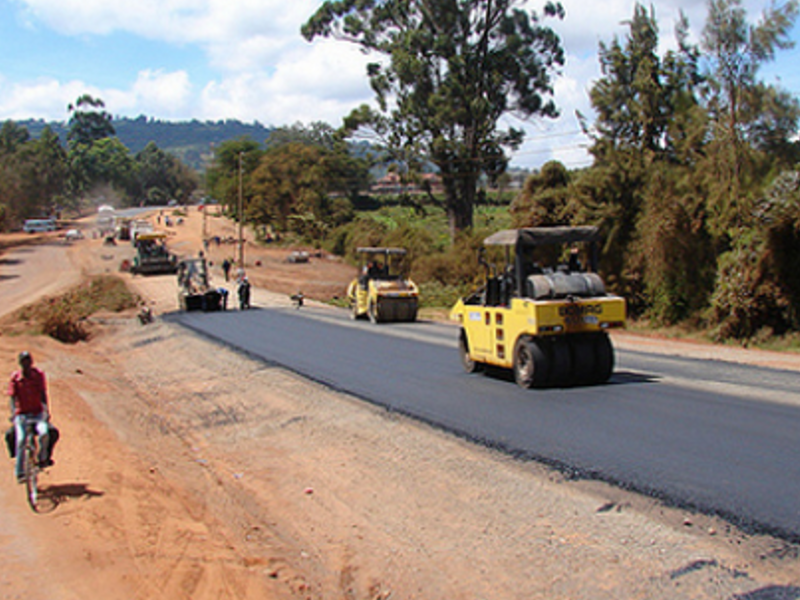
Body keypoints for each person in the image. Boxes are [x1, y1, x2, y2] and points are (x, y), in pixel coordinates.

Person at [8, 351, 56, 483]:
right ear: (20, 363)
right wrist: (13, 413)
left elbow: (43, 394)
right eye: (23, 362)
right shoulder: (15, 378)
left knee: (44, 433)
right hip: (22, 414)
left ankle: (42, 459)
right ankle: (20, 472)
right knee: (21, 440)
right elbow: (12, 397)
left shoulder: (38, 376)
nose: (26, 364)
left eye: (28, 361)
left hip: (37, 413)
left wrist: (46, 411)